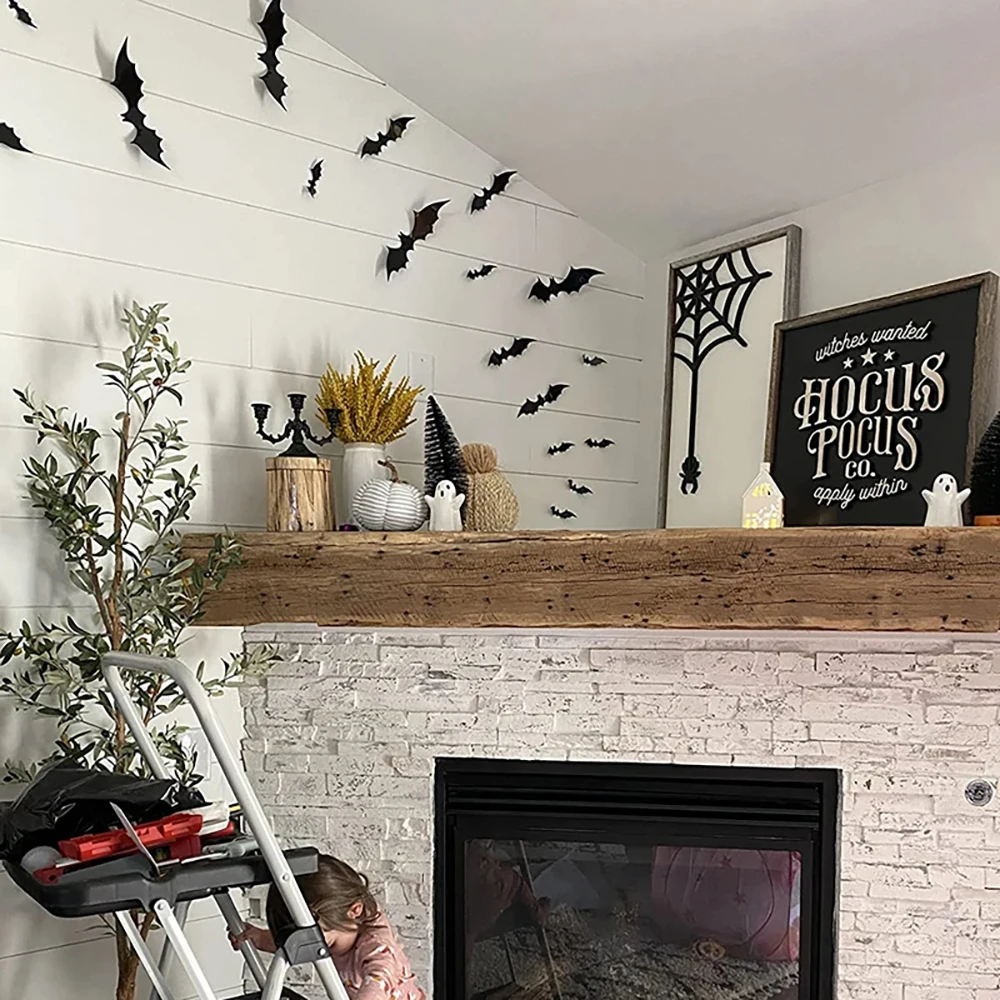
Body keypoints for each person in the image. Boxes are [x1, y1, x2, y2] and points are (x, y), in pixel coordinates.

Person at [230, 853, 426, 1000]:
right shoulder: (340, 925)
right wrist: (259, 938)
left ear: (354, 911)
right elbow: (297, 944)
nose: (314, 945)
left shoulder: (377, 945)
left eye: (324, 937)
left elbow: (380, 976)